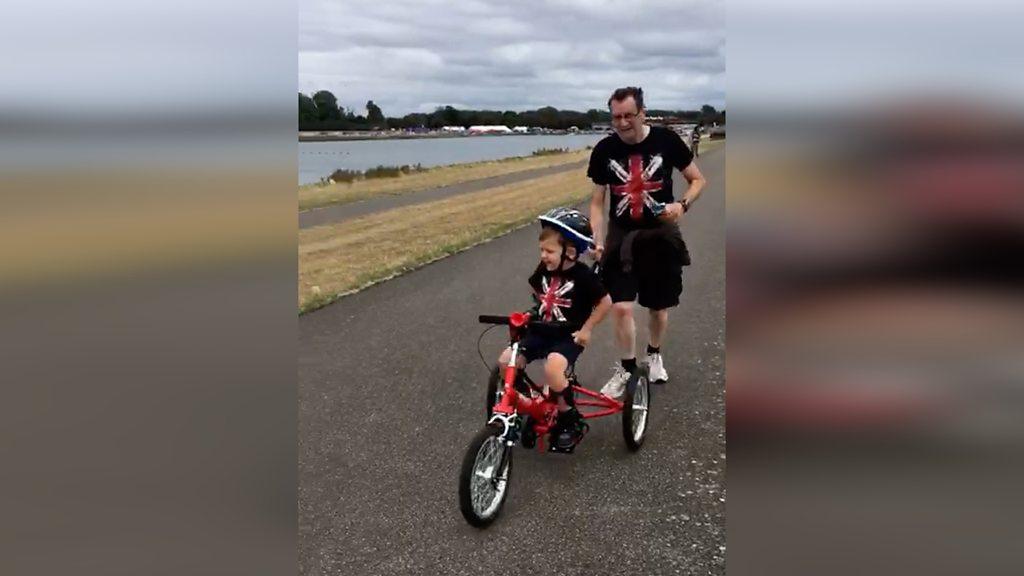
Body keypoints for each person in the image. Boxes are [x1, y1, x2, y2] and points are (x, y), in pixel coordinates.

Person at [586, 86, 707, 397]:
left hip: (660, 236)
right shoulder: (604, 150)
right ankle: (627, 370)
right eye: (616, 117)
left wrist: (681, 205)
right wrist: (596, 237)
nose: (623, 122)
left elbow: (698, 179)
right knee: (621, 307)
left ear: (642, 112)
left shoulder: (666, 141)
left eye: (629, 115)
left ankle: (654, 354)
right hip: (622, 238)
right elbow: (598, 201)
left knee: (657, 307)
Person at [497, 207, 612, 451]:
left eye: (549, 251)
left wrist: (587, 329)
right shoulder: (544, 270)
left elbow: (605, 303)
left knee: (554, 367)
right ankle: (525, 403)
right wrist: (533, 312)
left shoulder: (583, 276)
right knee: (506, 360)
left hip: (567, 336)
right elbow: (539, 295)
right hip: (541, 330)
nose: (544, 256)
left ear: (570, 252)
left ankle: (568, 417)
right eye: (541, 250)